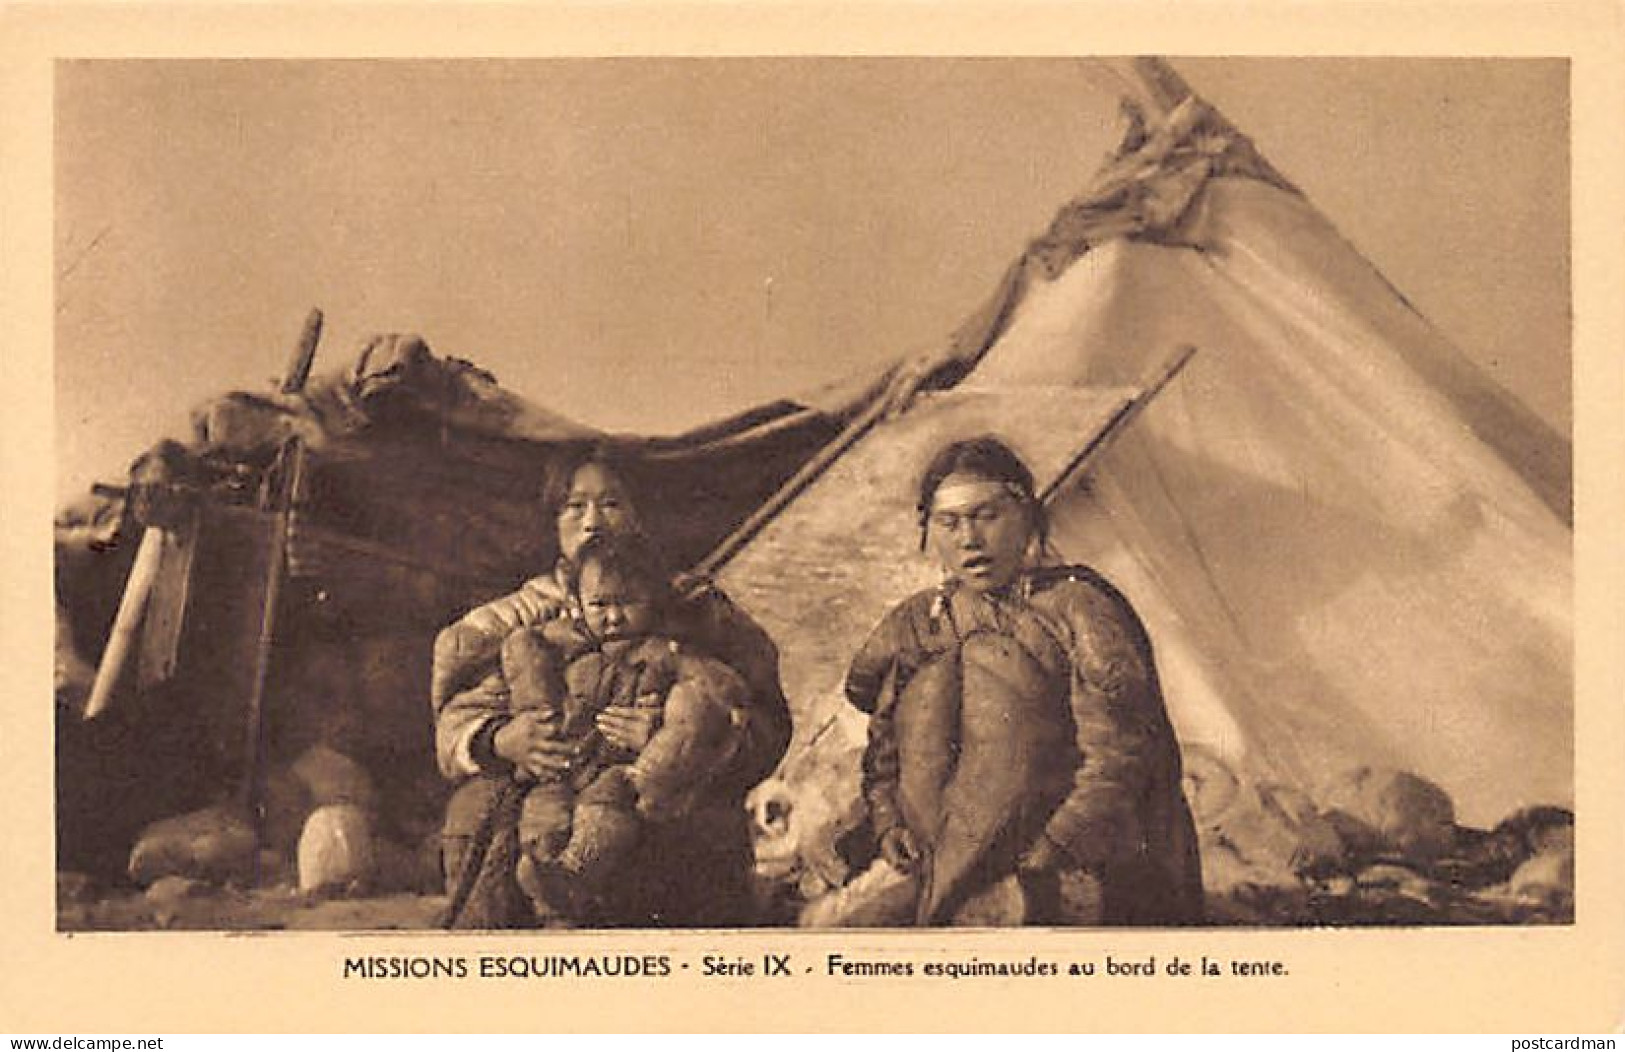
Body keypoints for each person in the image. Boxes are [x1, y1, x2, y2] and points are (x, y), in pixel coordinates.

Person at [842, 436, 1203, 926]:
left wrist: (1048, 851)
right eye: (949, 523)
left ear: (1027, 516)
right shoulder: (922, 621)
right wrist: (887, 822)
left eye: (987, 516)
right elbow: (884, 738)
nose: (969, 539)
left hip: (1073, 860)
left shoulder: (1079, 608)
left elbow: (1119, 757)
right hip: (944, 859)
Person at [434, 443, 791, 928]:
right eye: (574, 506)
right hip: (546, 791)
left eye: (611, 503)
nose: (592, 521)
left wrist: (677, 742)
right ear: (552, 518)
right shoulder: (518, 617)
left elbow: (763, 721)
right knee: (480, 809)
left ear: (640, 514)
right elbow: (459, 715)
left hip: (656, 797)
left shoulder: (697, 608)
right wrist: (502, 739)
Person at [502, 533, 751, 922]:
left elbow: (722, 688)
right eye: (599, 604)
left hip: (630, 774)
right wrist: (538, 711)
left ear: (653, 600)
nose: (614, 617)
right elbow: (521, 647)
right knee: (543, 807)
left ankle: (577, 869)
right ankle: (549, 880)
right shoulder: (569, 642)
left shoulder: (667, 646)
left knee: (608, 801)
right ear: (577, 604)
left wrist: (673, 675)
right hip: (569, 761)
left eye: (628, 603)